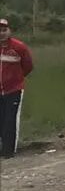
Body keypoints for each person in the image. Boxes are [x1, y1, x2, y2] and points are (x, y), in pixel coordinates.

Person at [0, 18, 34, 159]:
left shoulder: (19, 47)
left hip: (13, 90)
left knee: (10, 120)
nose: (1, 33)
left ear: (9, 31)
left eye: (4, 30)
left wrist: (17, 79)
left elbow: (28, 66)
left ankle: (9, 151)